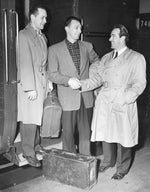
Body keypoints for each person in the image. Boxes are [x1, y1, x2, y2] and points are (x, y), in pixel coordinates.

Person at [81, 24, 146, 180]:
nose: (109, 39)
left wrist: (125, 98)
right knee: (106, 132)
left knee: (124, 136)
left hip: (122, 100)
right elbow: (98, 79)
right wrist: (82, 84)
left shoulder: (136, 58)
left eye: (113, 36)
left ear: (123, 38)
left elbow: (140, 83)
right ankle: (108, 161)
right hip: (105, 100)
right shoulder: (106, 57)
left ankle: (122, 168)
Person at [47, 16, 100, 155]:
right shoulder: (54, 50)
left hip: (86, 98)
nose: (79, 31)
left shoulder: (87, 46)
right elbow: (52, 74)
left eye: (80, 28)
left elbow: (97, 62)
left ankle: (85, 164)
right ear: (67, 29)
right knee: (68, 135)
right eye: (76, 28)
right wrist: (68, 80)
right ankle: (69, 164)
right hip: (67, 99)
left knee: (86, 135)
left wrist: (91, 80)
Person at [17, 5, 48, 167]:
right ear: (33, 17)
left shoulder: (42, 36)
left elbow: (44, 63)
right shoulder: (24, 35)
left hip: (40, 82)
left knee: (36, 117)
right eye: (42, 17)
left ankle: (36, 145)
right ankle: (28, 152)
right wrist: (30, 88)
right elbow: (25, 62)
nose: (45, 21)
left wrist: (48, 81)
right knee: (29, 118)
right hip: (30, 84)